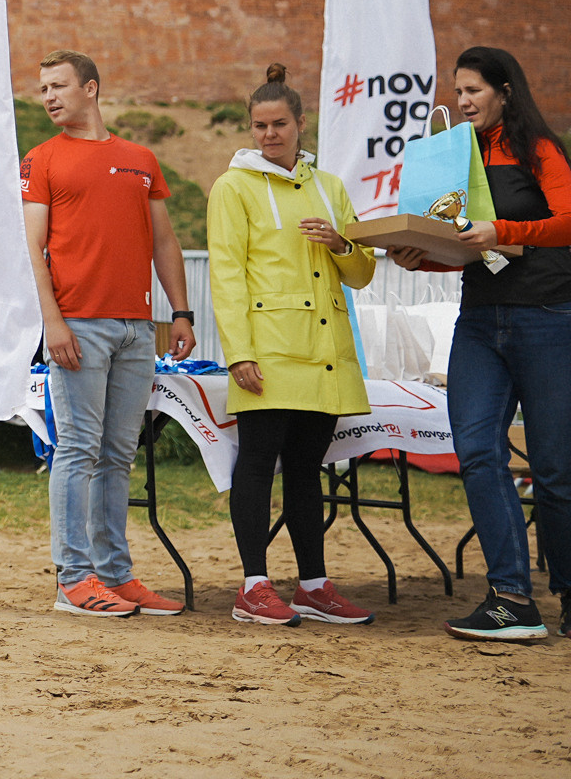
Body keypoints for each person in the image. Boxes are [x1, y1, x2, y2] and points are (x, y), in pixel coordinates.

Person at [388, 46, 571, 642]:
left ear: (504, 92)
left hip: (549, 318)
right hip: (479, 321)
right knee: (478, 453)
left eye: (473, 91)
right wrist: (424, 259)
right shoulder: (452, 155)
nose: (461, 101)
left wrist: (506, 229)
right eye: (457, 91)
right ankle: (511, 597)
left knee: (554, 468)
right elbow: (471, 247)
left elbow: (567, 222)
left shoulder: (540, 150)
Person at [22, 48, 195, 619]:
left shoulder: (140, 158)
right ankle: (73, 579)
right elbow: (32, 249)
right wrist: (53, 323)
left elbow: (163, 242)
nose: (48, 96)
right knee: (76, 449)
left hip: (137, 328)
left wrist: (183, 312)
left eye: (59, 86)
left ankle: (115, 576)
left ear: (91, 89)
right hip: (77, 325)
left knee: (118, 454)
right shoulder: (41, 160)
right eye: (43, 88)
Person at [207, 63, 377, 627]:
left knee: (307, 469)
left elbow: (361, 274)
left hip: (325, 355)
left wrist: (340, 241)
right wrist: (239, 352)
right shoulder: (233, 187)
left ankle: (313, 584)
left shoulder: (329, 187)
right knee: (256, 464)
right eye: (259, 125)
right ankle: (253, 585)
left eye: (279, 123)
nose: (268, 134)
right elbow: (227, 275)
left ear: (302, 124)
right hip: (269, 352)